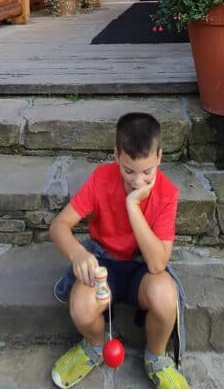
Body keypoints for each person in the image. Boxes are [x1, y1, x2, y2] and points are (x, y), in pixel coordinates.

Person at [49, 112, 188, 388]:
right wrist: (77, 254)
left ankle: (156, 357)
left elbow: (158, 264)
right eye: (128, 171)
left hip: (143, 268)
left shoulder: (167, 193)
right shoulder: (101, 178)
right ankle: (95, 346)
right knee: (80, 305)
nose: (137, 181)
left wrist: (132, 206)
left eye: (147, 172)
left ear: (159, 157)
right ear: (116, 155)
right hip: (104, 264)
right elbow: (59, 226)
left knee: (165, 295)